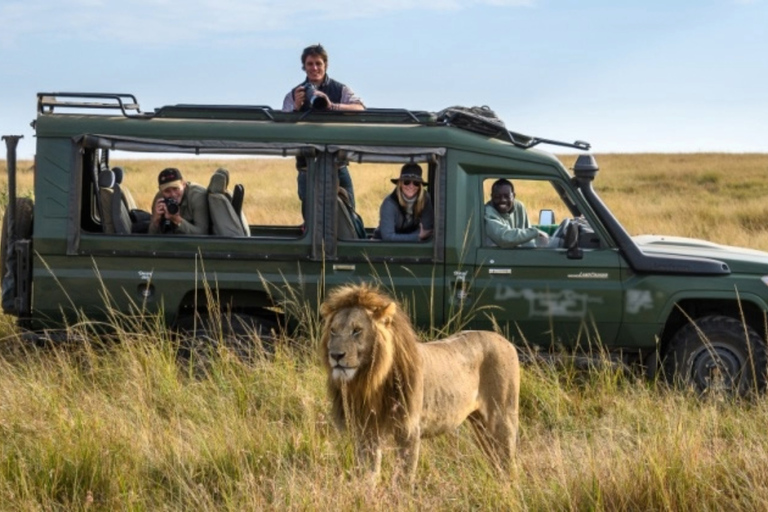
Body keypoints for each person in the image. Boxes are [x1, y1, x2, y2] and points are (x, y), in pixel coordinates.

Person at [282, 44, 364, 219]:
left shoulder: (340, 90)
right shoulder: (294, 94)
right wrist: (296, 107)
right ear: (304, 67)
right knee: (311, 217)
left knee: (349, 214)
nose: (315, 68)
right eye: (310, 64)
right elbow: (284, 129)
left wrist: (332, 106)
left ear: (326, 65)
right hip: (307, 166)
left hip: (337, 164)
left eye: (318, 63)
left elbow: (360, 108)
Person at [375, 163, 434, 242]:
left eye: (416, 183)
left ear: (420, 186)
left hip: (411, 246)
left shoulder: (425, 199)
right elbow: (388, 237)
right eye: (406, 182)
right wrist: (417, 236)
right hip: (385, 247)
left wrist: (419, 235)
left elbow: (427, 229)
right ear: (400, 184)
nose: (411, 186)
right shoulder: (389, 204)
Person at [484, 178, 549, 248]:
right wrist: (535, 232)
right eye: (497, 197)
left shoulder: (519, 207)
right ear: (492, 197)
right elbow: (505, 238)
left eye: (506, 196)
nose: (502, 200)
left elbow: (528, 239)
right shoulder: (487, 212)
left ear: (513, 196)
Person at [148, 167, 210, 235]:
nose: (173, 194)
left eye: (175, 189)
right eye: (167, 191)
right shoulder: (160, 199)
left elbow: (202, 234)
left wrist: (177, 220)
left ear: (183, 184)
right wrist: (156, 221)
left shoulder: (196, 196)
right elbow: (152, 238)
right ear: (161, 191)